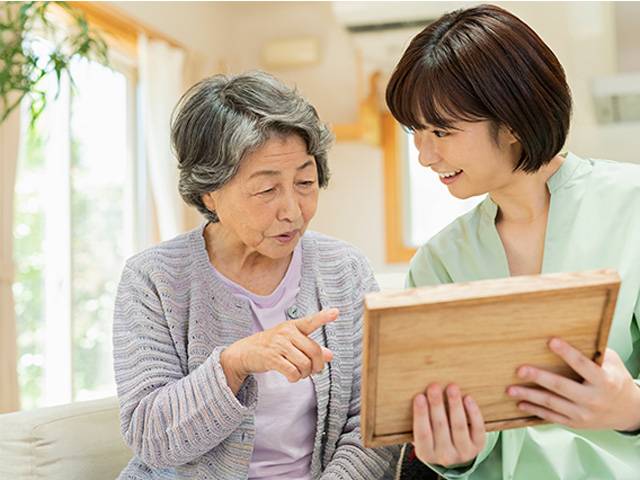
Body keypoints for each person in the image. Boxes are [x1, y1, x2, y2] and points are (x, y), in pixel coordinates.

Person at [385, 4, 640, 479]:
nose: (424, 156)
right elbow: (456, 449)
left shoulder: (632, 208)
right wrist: (453, 454)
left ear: (514, 120)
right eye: (415, 132)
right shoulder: (438, 264)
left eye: (441, 130)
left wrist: (630, 409)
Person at [113, 71, 399, 479]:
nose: (293, 210)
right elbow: (151, 438)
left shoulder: (345, 269)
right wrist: (235, 362)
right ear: (209, 191)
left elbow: (372, 423)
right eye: (267, 190)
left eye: (305, 182)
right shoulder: (154, 279)